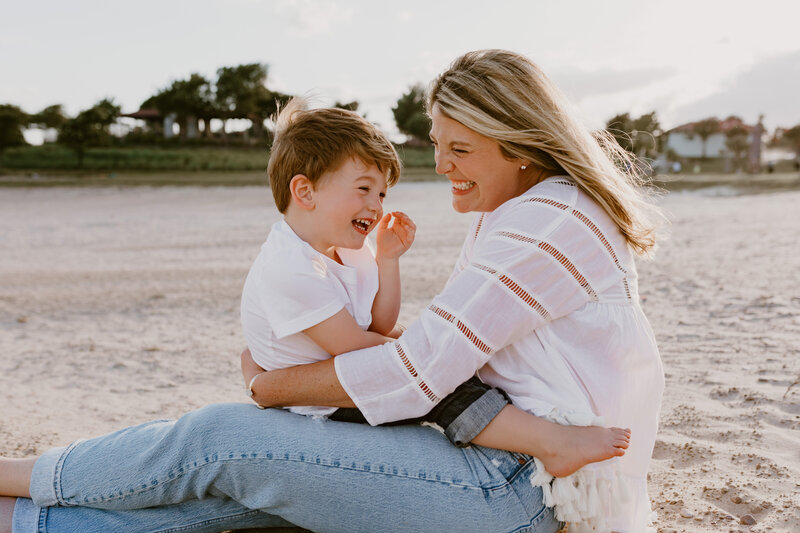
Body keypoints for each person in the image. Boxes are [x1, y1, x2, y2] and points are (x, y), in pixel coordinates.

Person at [0, 49, 663, 533]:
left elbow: (418, 372)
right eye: (437, 144)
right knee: (258, 491)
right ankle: (27, 521)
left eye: (459, 148)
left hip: (516, 488)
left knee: (222, 438)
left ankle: (16, 476)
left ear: (517, 138)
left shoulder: (549, 221)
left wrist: (273, 386)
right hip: (502, 462)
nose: (441, 166)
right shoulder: (531, 207)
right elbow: (427, 353)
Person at [243, 99, 629, 462]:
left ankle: (522, 433)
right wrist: (423, 348)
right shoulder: (290, 268)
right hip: (324, 407)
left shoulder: (345, 249)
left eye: (381, 193)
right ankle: (553, 444)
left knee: (438, 366)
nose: (376, 206)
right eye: (363, 189)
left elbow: (377, 323)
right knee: (444, 387)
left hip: (346, 385)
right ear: (305, 191)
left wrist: (386, 260)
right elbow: (355, 346)